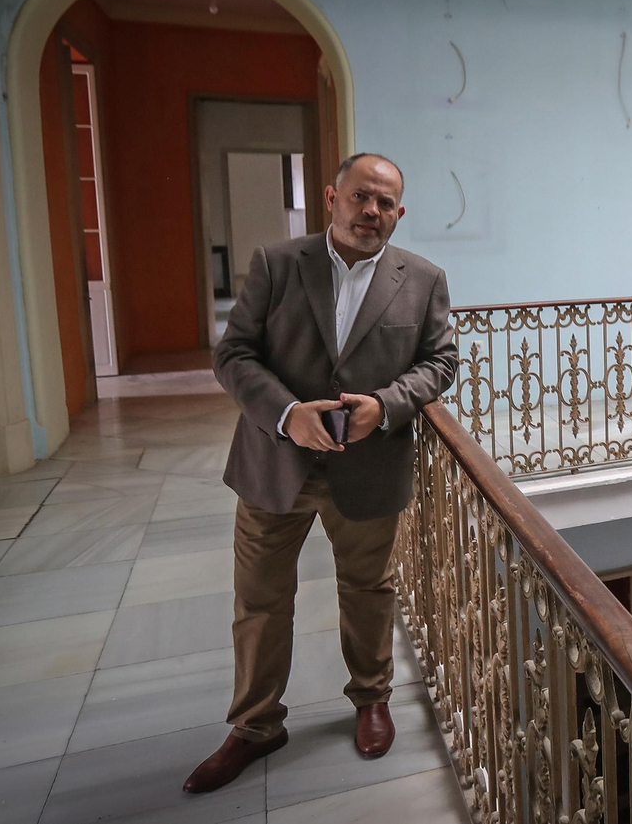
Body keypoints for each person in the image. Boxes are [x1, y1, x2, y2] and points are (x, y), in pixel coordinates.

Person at [185, 153, 458, 793]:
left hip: (368, 468)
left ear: (400, 213)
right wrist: (285, 415)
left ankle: (371, 699)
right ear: (332, 197)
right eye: (361, 197)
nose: (372, 212)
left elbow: (439, 361)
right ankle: (255, 726)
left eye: (385, 203)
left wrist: (385, 406)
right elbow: (233, 355)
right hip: (274, 465)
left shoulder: (422, 279)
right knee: (260, 600)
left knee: (368, 590)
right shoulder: (278, 265)